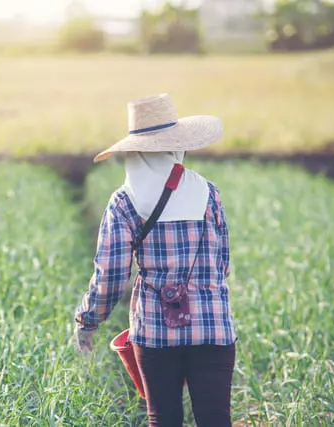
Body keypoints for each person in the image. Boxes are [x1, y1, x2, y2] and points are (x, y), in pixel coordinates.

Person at [74, 94, 237, 426]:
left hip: (156, 333)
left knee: (163, 419)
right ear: (176, 146)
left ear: (134, 151)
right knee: (216, 419)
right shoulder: (209, 192)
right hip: (214, 328)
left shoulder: (125, 201)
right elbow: (223, 265)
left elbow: (111, 278)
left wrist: (87, 322)